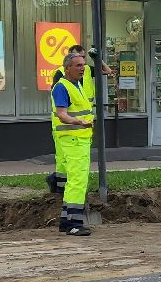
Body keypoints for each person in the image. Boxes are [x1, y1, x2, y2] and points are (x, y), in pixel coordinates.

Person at [47, 44, 112, 196]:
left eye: (83, 58)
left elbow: (107, 71)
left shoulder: (86, 70)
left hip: (82, 128)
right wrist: (76, 121)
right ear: (69, 62)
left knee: (77, 168)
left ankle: (65, 192)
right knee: (64, 161)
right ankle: (61, 189)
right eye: (78, 59)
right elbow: (60, 102)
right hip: (65, 126)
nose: (82, 64)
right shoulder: (61, 76)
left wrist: (98, 59)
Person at [50, 49, 97, 237]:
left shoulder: (76, 84)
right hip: (74, 140)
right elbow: (62, 114)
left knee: (74, 181)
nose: (82, 68)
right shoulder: (62, 87)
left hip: (80, 139)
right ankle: (74, 224)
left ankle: (66, 221)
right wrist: (78, 122)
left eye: (83, 65)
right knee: (77, 181)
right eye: (78, 65)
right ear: (67, 68)